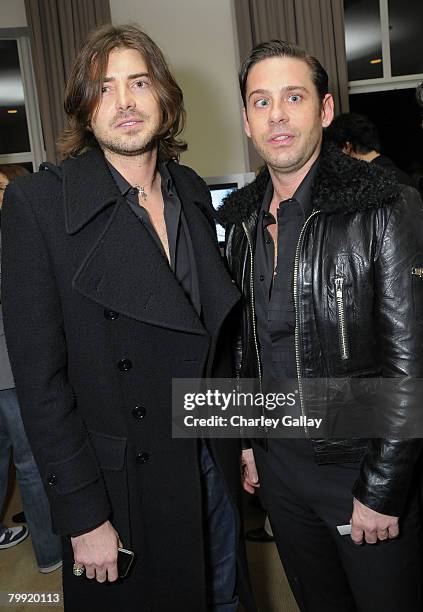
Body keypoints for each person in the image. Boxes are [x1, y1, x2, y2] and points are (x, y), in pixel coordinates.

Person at [1, 25, 255, 612]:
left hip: (207, 461)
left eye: (138, 82)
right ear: (84, 109)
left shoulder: (190, 190)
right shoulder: (39, 205)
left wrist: (242, 437)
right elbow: (40, 385)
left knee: (222, 596)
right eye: (104, 87)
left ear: (164, 99)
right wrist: (84, 515)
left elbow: (210, 345)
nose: (123, 101)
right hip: (121, 486)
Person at [219, 40, 423, 611]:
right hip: (281, 478)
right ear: (246, 118)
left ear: (325, 110)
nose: (277, 114)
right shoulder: (239, 223)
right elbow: (245, 349)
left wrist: (383, 489)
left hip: (359, 469)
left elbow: (410, 364)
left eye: (294, 97)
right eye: (261, 101)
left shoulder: (385, 205)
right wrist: (250, 442)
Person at [0, 165, 62, 571]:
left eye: (3, 186)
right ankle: (50, 552)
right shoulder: (14, 235)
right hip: (9, 367)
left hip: (14, 363)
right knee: (31, 460)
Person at [325, 112, 415, 186]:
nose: (337, 160)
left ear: (347, 147)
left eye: (336, 152)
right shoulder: (400, 176)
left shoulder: (371, 184)